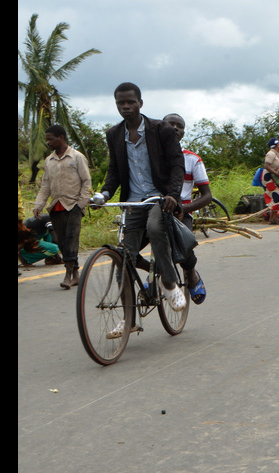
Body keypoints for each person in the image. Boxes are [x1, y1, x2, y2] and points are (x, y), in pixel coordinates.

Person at [96, 82, 186, 313]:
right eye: (120, 103)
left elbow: (177, 164)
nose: (125, 106)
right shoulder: (114, 134)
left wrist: (172, 195)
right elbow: (115, 170)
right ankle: (127, 319)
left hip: (158, 198)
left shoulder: (161, 130)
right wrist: (104, 194)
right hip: (133, 201)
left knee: (156, 228)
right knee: (123, 256)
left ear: (140, 104)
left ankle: (168, 281)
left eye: (130, 102)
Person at [33, 124, 93, 289]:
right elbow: (45, 185)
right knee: (61, 241)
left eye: (51, 139)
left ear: (61, 137)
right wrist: (39, 205)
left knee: (72, 238)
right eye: (47, 140)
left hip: (73, 205)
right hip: (56, 206)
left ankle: (68, 274)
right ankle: (75, 274)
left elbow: (86, 181)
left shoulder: (76, 157)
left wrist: (81, 203)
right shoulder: (49, 160)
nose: (48, 142)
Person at [162, 113, 208, 304]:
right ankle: (153, 275)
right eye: (170, 124)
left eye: (179, 126)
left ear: (183, 132)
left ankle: (190, 273)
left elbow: (207, 195)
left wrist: (185, 209)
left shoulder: (192, 160)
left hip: (181, 213)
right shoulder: (150, 156)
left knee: (184, 247)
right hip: (155, 209)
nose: (174, 128)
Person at [262, 137, 279, 224]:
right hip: (269, 177)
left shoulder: (277, 154)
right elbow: (267, 166)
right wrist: (277, 174)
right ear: (277, 144)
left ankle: (273, 218)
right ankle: (273, 218)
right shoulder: (271, 154)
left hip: (275, 177)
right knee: (275, 196)